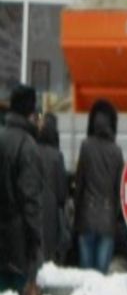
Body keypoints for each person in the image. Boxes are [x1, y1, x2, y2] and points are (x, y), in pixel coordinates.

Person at [0, 84, 44, 295]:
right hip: (17, 246)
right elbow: (30, 201)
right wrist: (36, 240)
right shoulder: (28, 147)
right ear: (31, 113)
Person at [75, 99, 124, 274]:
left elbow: (79, 183)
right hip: (107, 218)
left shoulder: (86, 146)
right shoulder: (117, 151)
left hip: (86, 217)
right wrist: (114, 216)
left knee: (86, 274)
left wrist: (77, 214)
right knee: (100, 276)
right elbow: (119, 190)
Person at [38, 112, 69, 263]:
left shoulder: (32, 150)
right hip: (51, 210)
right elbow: (62, 191)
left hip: (35, 205)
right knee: (49, 253)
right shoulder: (57, 156)